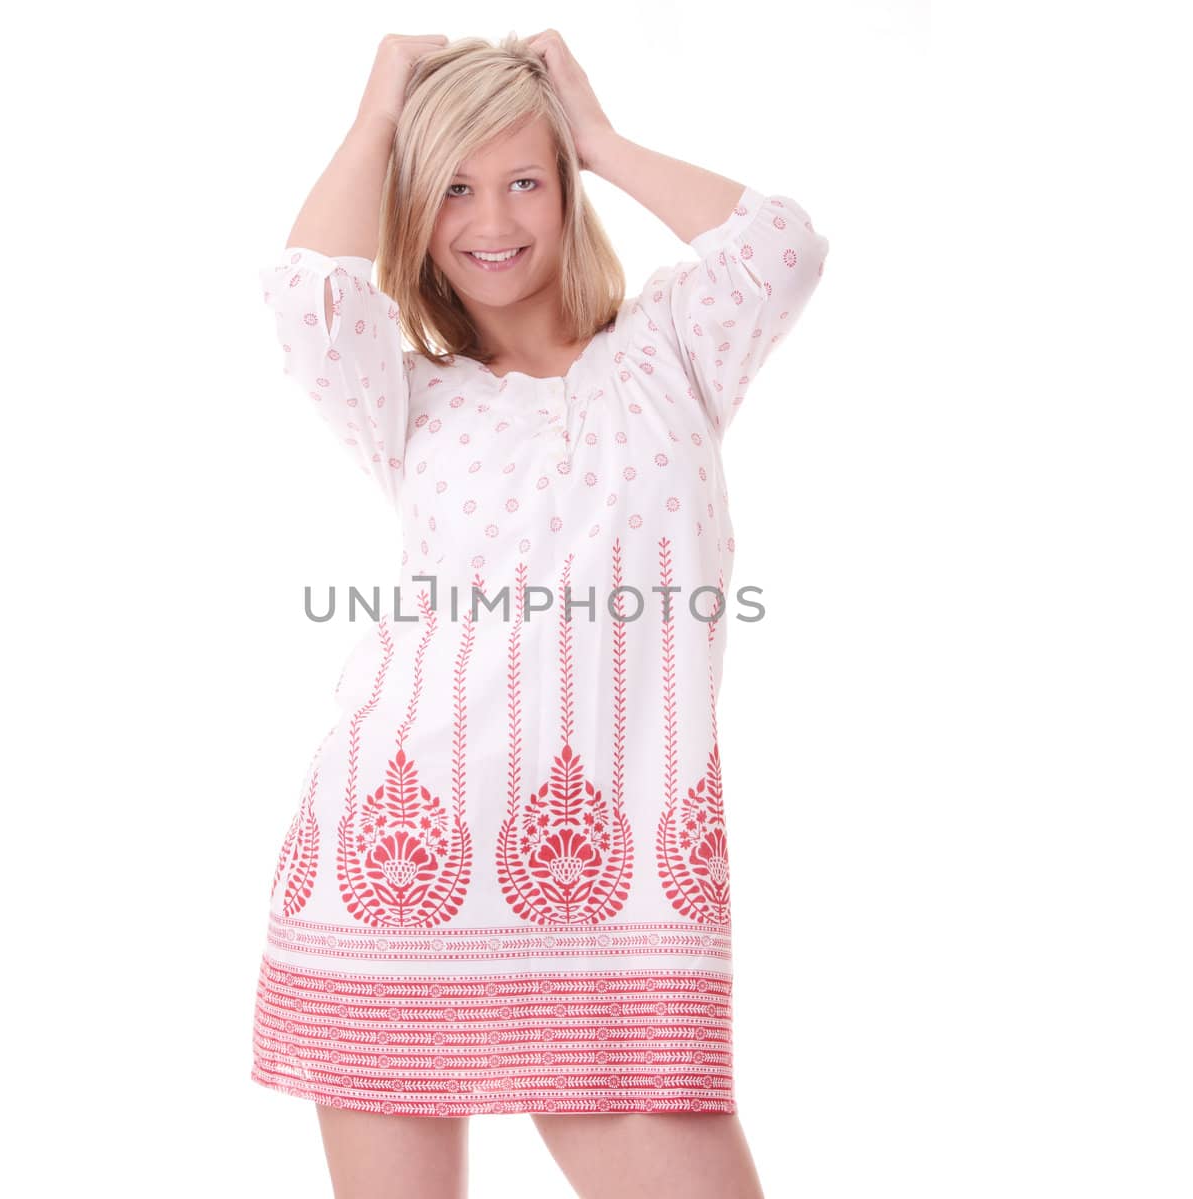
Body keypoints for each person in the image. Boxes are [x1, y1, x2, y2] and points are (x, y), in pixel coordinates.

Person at [252, 29, 829, 1199]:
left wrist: (600, 137)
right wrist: (378, 119)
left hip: (619, 905)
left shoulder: (671, 350)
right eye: (452, 189)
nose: (493, 220)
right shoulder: (408, 398)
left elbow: (783, 247)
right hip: (395, 865)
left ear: (565, 191)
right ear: (411, 212)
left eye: (524, 179)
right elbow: (309, 299)